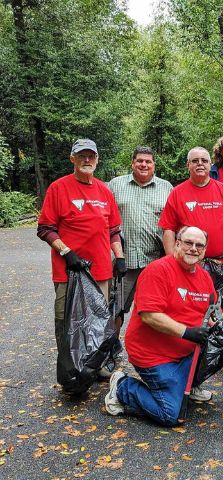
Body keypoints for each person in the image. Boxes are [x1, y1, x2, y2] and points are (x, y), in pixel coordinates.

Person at [104, 227, 216, 426]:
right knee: (169, 415)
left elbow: (213, 309)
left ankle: (190, 384)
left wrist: (218, 324)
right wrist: (186, 332)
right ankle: (123, 387)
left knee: (221, 348)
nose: (193, 249)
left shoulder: (204, 277)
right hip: (154, 355)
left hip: (186, 350)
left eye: (199, 245)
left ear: (205, 250)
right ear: (177, 244)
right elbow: (149, 316)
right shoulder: (158, 270)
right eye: (188, 243)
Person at [37, 138, 125, 389]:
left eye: (91, 156)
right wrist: (67, 253)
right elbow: (45, 228)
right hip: (70, 272)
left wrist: (118, 257)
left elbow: (114, 230)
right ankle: (71, 374)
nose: (87, 160)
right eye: (82, 155)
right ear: (72, 159)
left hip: (100, 272)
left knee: (97, 322)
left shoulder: (104, 191)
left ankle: (93, 367)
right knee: (68, 323)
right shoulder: (58, 188)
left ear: (96, 160)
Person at [158, 147, 223, 342]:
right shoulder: (177, 193)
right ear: (188, 165)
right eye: (195, 160)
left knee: (221, 303)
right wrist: (170, 261)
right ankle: (190, 340)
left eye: (204, 160)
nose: (200, 164)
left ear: (210, 165)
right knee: (189, 302)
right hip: (189, 262)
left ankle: (221, 340)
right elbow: (168, 229)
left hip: (220, 262)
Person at [108, 146, 172, 329]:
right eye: (140, 161)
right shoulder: (115, 185)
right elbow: (104, 218)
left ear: (154, 165)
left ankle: (155, 350)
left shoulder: (166, 187)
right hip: (124, 259)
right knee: (116, 306)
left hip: (155, 259)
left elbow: (174, 222)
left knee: (157, 308)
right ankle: (110, 348)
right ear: (132, 163)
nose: (144, 164)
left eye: (148, 161)